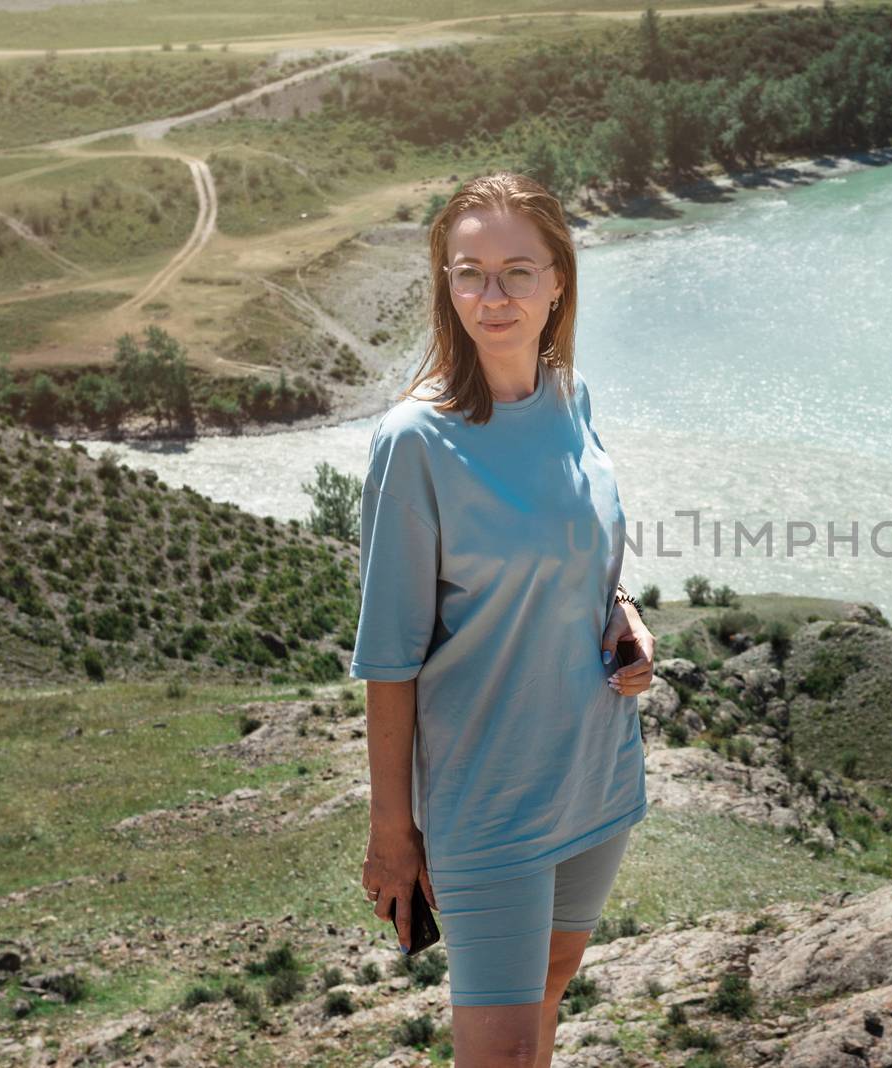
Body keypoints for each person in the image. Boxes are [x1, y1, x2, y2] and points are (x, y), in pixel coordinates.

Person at [351, 171, 654, 1067]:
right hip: (489, 801)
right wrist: (391, 831)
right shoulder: (416, 442)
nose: (493, 296)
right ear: (444, 285)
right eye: (469, 272)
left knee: (554, 993)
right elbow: (389, 657)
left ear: (559, 279)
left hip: (596, 777)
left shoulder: (573, 399)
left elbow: (591, 560)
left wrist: (625, 616)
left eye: (517, 272)